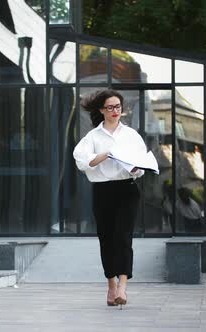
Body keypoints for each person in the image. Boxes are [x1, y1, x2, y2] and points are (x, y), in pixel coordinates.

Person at [73, 89, 147, 308]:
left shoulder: (131, 134)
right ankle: (111, 285)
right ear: (101, 110)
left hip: (127, 190)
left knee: (123, 237)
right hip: (103, 191)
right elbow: (82, 160)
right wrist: (106, 154)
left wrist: (135, 167)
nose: (115, 111)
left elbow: (140, 166)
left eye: (118, 107)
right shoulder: (93, 137)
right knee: (106, 238)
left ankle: (123, 286)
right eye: (110, 107)